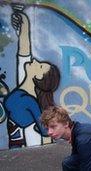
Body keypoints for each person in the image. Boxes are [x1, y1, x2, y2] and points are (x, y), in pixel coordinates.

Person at [3, 11, 60, 147]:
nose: (34, 60)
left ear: (38, 76)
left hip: (22, 145)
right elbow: (24, 49)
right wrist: (25, 26)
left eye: (39, 65)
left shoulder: (30, 101)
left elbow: (45, 132)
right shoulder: (25, 82)